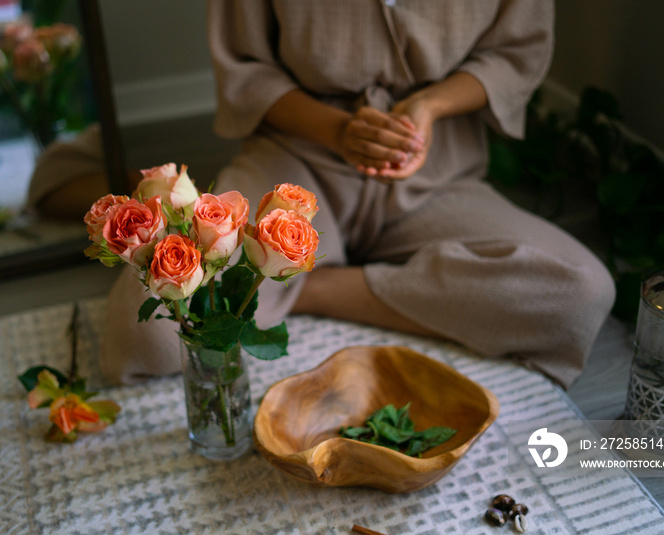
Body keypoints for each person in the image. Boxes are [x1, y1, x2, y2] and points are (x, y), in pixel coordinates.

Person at [99, 0, 615, 388]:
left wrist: (430, 107)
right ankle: (280, 272)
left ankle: (302, 286)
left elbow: (516, 51)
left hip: (436, 175)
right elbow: (246, 70)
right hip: (295, 168)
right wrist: (339, 131)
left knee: (578, 294)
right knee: (151, 336)